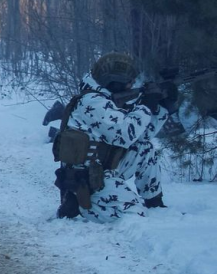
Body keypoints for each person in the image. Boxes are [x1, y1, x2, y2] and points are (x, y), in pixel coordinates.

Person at [53, 52, 175, 222]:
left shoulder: (105, 99)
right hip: (89, 180)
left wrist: (162, 107)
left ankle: (155, 203)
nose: (132, 84)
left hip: (103, 169)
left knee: (144, 148)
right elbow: (125, 133)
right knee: (135, 216)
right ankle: (79, 205)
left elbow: (140, 135)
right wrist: (147, 105)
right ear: (114, 82)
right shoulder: (92, 102)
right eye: (129, 82)